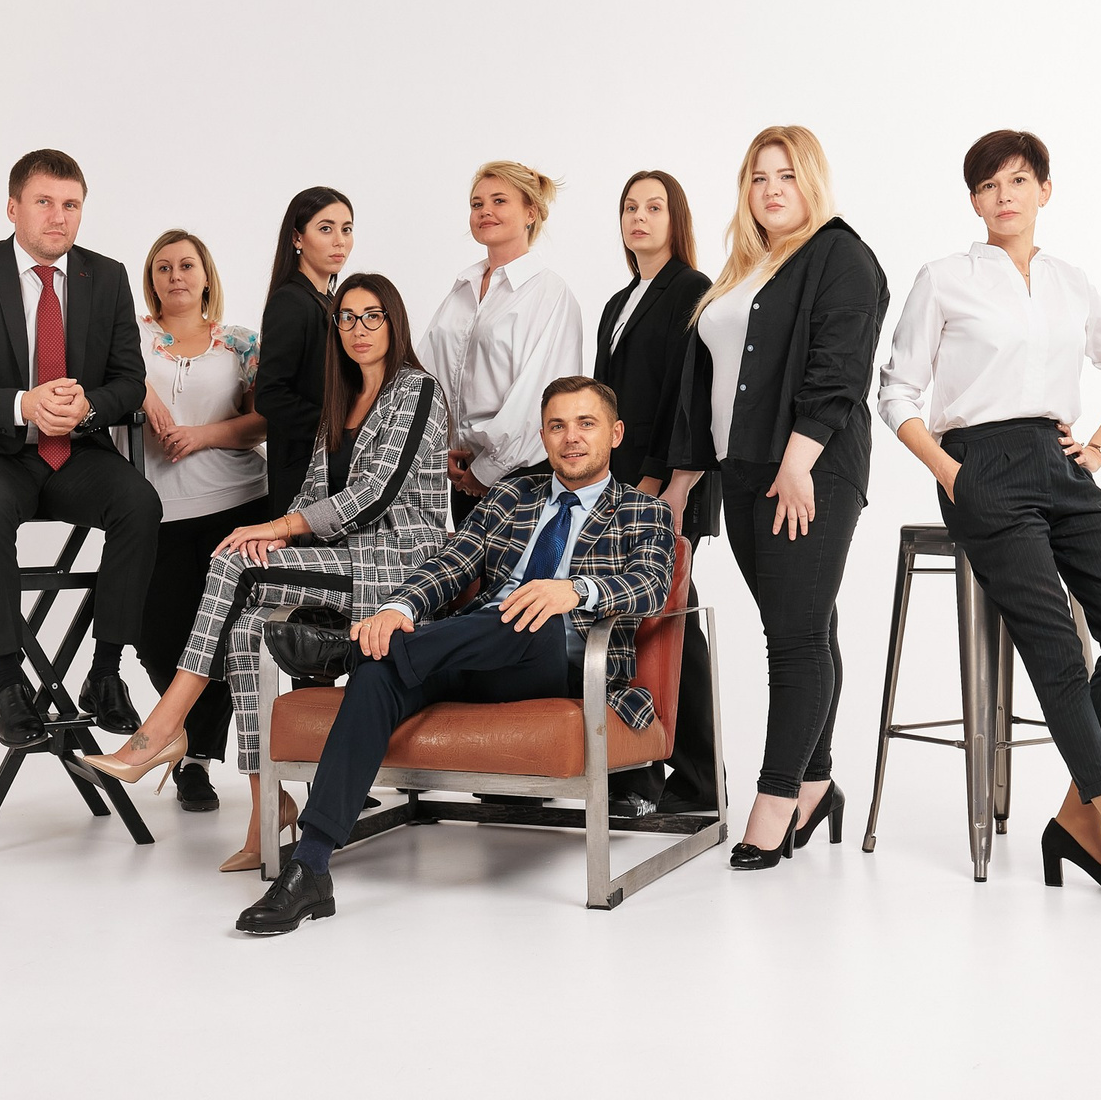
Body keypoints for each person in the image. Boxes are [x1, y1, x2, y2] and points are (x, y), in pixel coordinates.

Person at [877, 129, 1101, 913]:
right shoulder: (945, 278)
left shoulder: (1070, 282)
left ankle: (1075, 820)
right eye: (988, 185)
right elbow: (894, 393)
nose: (1004, 196)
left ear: (1044, 191)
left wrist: (1098, 448)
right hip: (978, 465)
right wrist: (952, 474)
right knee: (1057, 647)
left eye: (1018, 181)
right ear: (973, 201)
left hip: (1061, 468)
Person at [234, 376, 676, 935]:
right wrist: (396, 607)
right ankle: (311, 868)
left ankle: (347, 650)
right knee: (379, 674)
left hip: (559, 664)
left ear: (615, 433)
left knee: (529, 612)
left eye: (586, 424)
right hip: (472, 648)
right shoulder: (513, 496)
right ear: (543, 436)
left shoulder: (643, 511)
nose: (571, 438)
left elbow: (650, 585)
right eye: (557, 426)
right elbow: (451, 563)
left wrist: (573, 590)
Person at [85, 274, 449, 872]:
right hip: (343, 559)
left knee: (237, 563)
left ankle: (163, 727)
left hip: (401, 560)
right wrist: (273, 533)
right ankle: (266, 811)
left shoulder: (417, 390)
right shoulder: (340, 396)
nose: (358, 329)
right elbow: (313, 490)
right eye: (347, 318)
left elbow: (376, 494)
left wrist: (277, 528)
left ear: (395, 323)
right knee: (247, 626)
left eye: (372, 316)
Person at [665, 125, 889, 871]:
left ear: (812, 180)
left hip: (808, 470)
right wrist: (685, 481)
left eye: (786, 175)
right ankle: (816, 785)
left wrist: (798, 462)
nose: (771, 190)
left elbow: (840, 367)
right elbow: (706, 386)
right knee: (806, 627)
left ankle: (775, 800)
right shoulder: (746, 269)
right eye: (758, 177)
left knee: (791, 640)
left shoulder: (839, 255)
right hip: (743, 471)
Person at [0, 149, 160, 752]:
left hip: (76, 452)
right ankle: (8, 683)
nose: (58, 216)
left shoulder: (107, 276)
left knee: (140, 504)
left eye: (71, 205)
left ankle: (105, 673)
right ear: (13, 208)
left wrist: (89, 407)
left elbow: (130, 381)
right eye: (44, 202)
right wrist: (21, 404)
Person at [593, 169, 720, 817]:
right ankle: (634, 771)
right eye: (630, 207)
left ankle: (698, 776)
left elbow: (686, 397)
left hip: (667, 486)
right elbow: (601, 400)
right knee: (622, 625)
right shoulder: (619, 302)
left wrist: (654, 483)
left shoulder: (692, 289)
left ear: (677, 220)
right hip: (615, 486)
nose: (639, 218)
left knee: (672, 622)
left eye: (654, 207)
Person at [133, 229, 268, 816]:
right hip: (156, 508)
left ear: (206, 275)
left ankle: (196, 762)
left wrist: (202, 436)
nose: (175, 276)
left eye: (186, 265)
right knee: (156, 636)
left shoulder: (240, 342)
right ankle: (181, 734)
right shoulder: (131, 337)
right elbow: (102, 375)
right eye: (163, 267)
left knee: (224, 639)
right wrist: (144, 392)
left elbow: (264, 421)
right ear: (152, 280)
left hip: (238, 503)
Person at [418, 160, 583, 528]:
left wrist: (487, 468)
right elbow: (426, 371)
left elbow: (540, 397)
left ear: (531, 213)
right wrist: (439, 450)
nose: (485, 211)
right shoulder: (462, 288)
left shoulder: (549, 293)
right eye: (477, 204)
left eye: (499, 201)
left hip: (521, 476)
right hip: (462, 471)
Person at [255, 187, 353, 519]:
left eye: (346, 229)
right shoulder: (291, 301)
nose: (339, 240)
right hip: (303, 474)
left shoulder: (330, 301)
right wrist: (339, 429)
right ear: (297, 237)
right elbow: (270, 395)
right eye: (326, 228)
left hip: (328, 467)